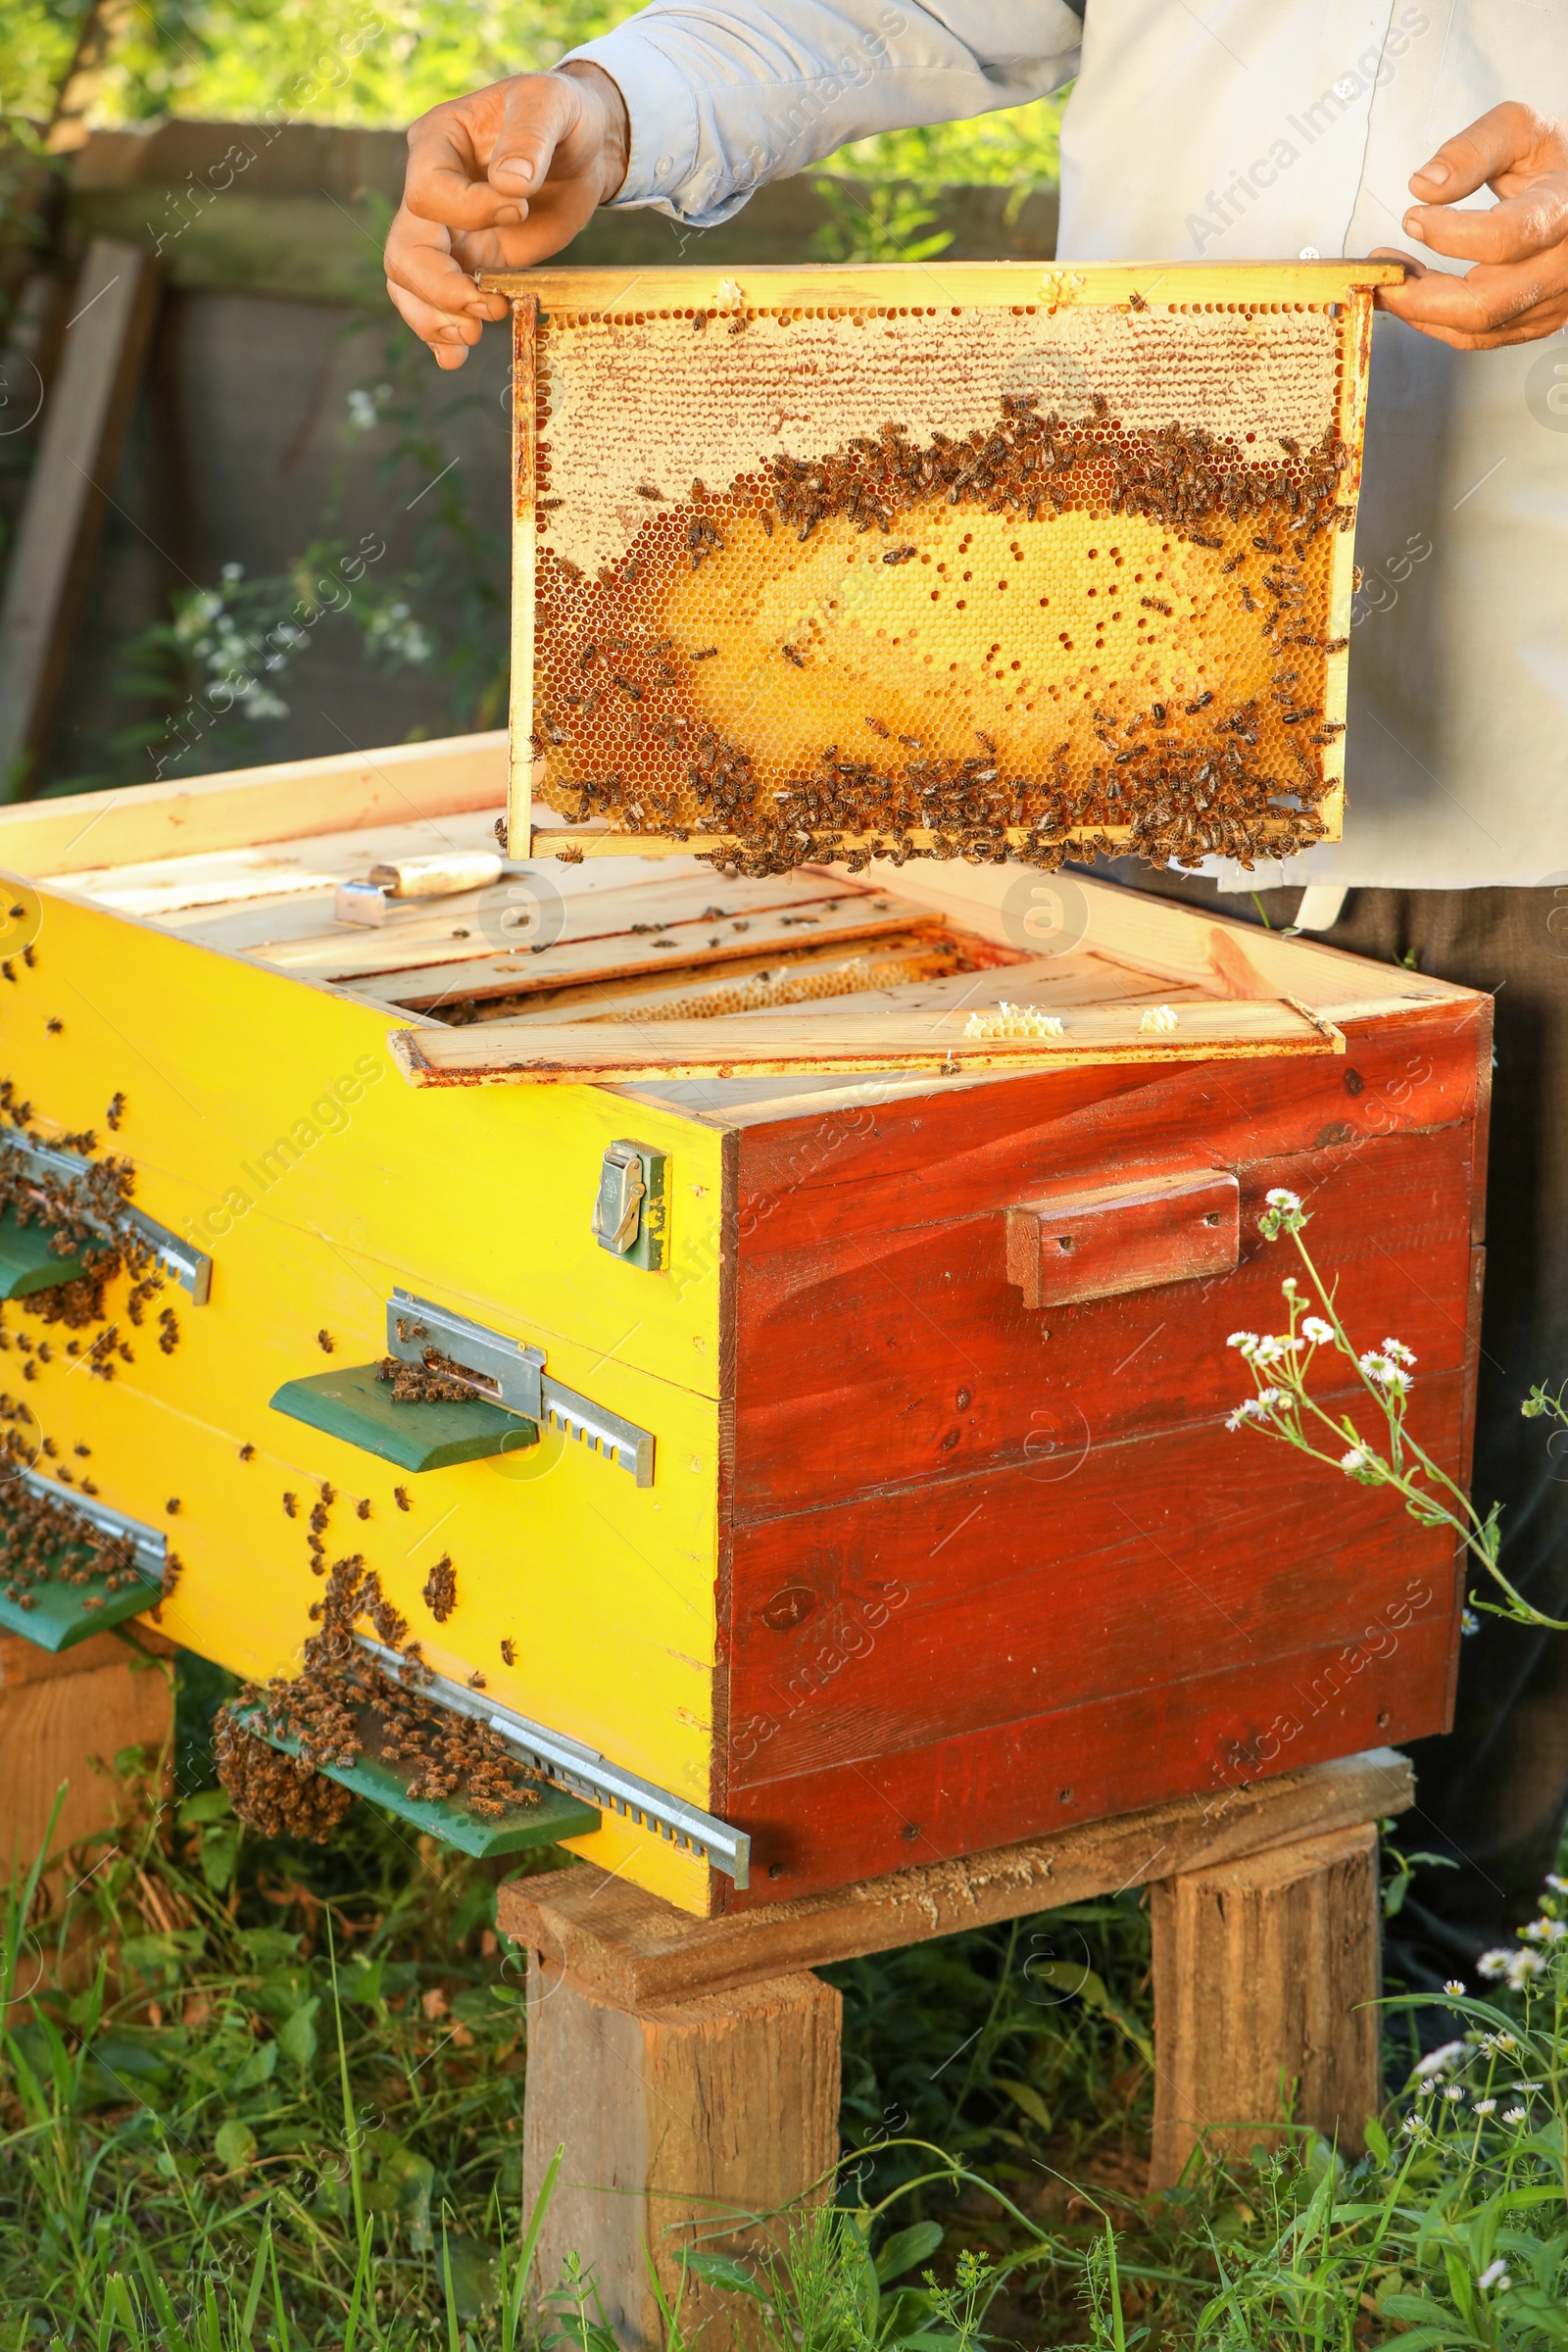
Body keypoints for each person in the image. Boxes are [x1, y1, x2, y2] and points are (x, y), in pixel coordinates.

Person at [383, 5, 1568, 2002]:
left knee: (1513, 1423)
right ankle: (1070, 1925)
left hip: (1535, 755)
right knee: (1095, 1355)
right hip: (1120, 656)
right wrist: (610, 105)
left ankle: (1439, 1990)